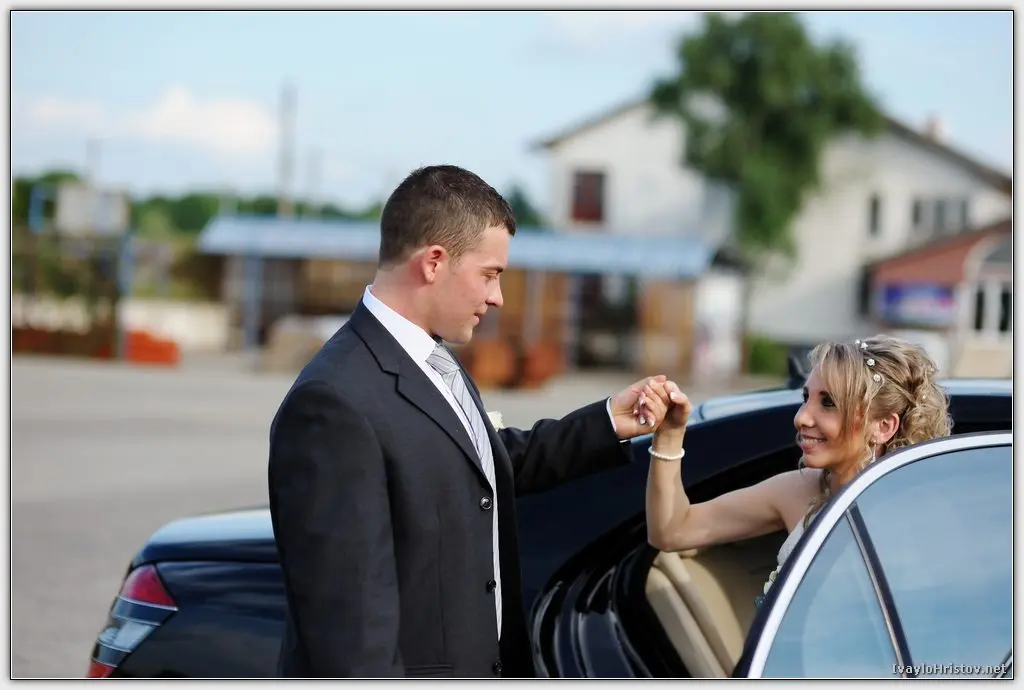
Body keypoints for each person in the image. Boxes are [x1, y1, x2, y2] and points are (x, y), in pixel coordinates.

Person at [267, 164, 668, 678]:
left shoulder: (431, 358)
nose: (497, 297)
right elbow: (350, 630)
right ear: (434, 262)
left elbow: (479, 463)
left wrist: (608, 421)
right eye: (490, 274)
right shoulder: (332, 404)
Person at [642, 334, 952, 603]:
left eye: (828, 403)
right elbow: (673, 530)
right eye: (806, 398)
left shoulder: (919, 516)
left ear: (883, 426)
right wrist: (669, 435)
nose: (801, 417)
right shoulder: (798, 491)